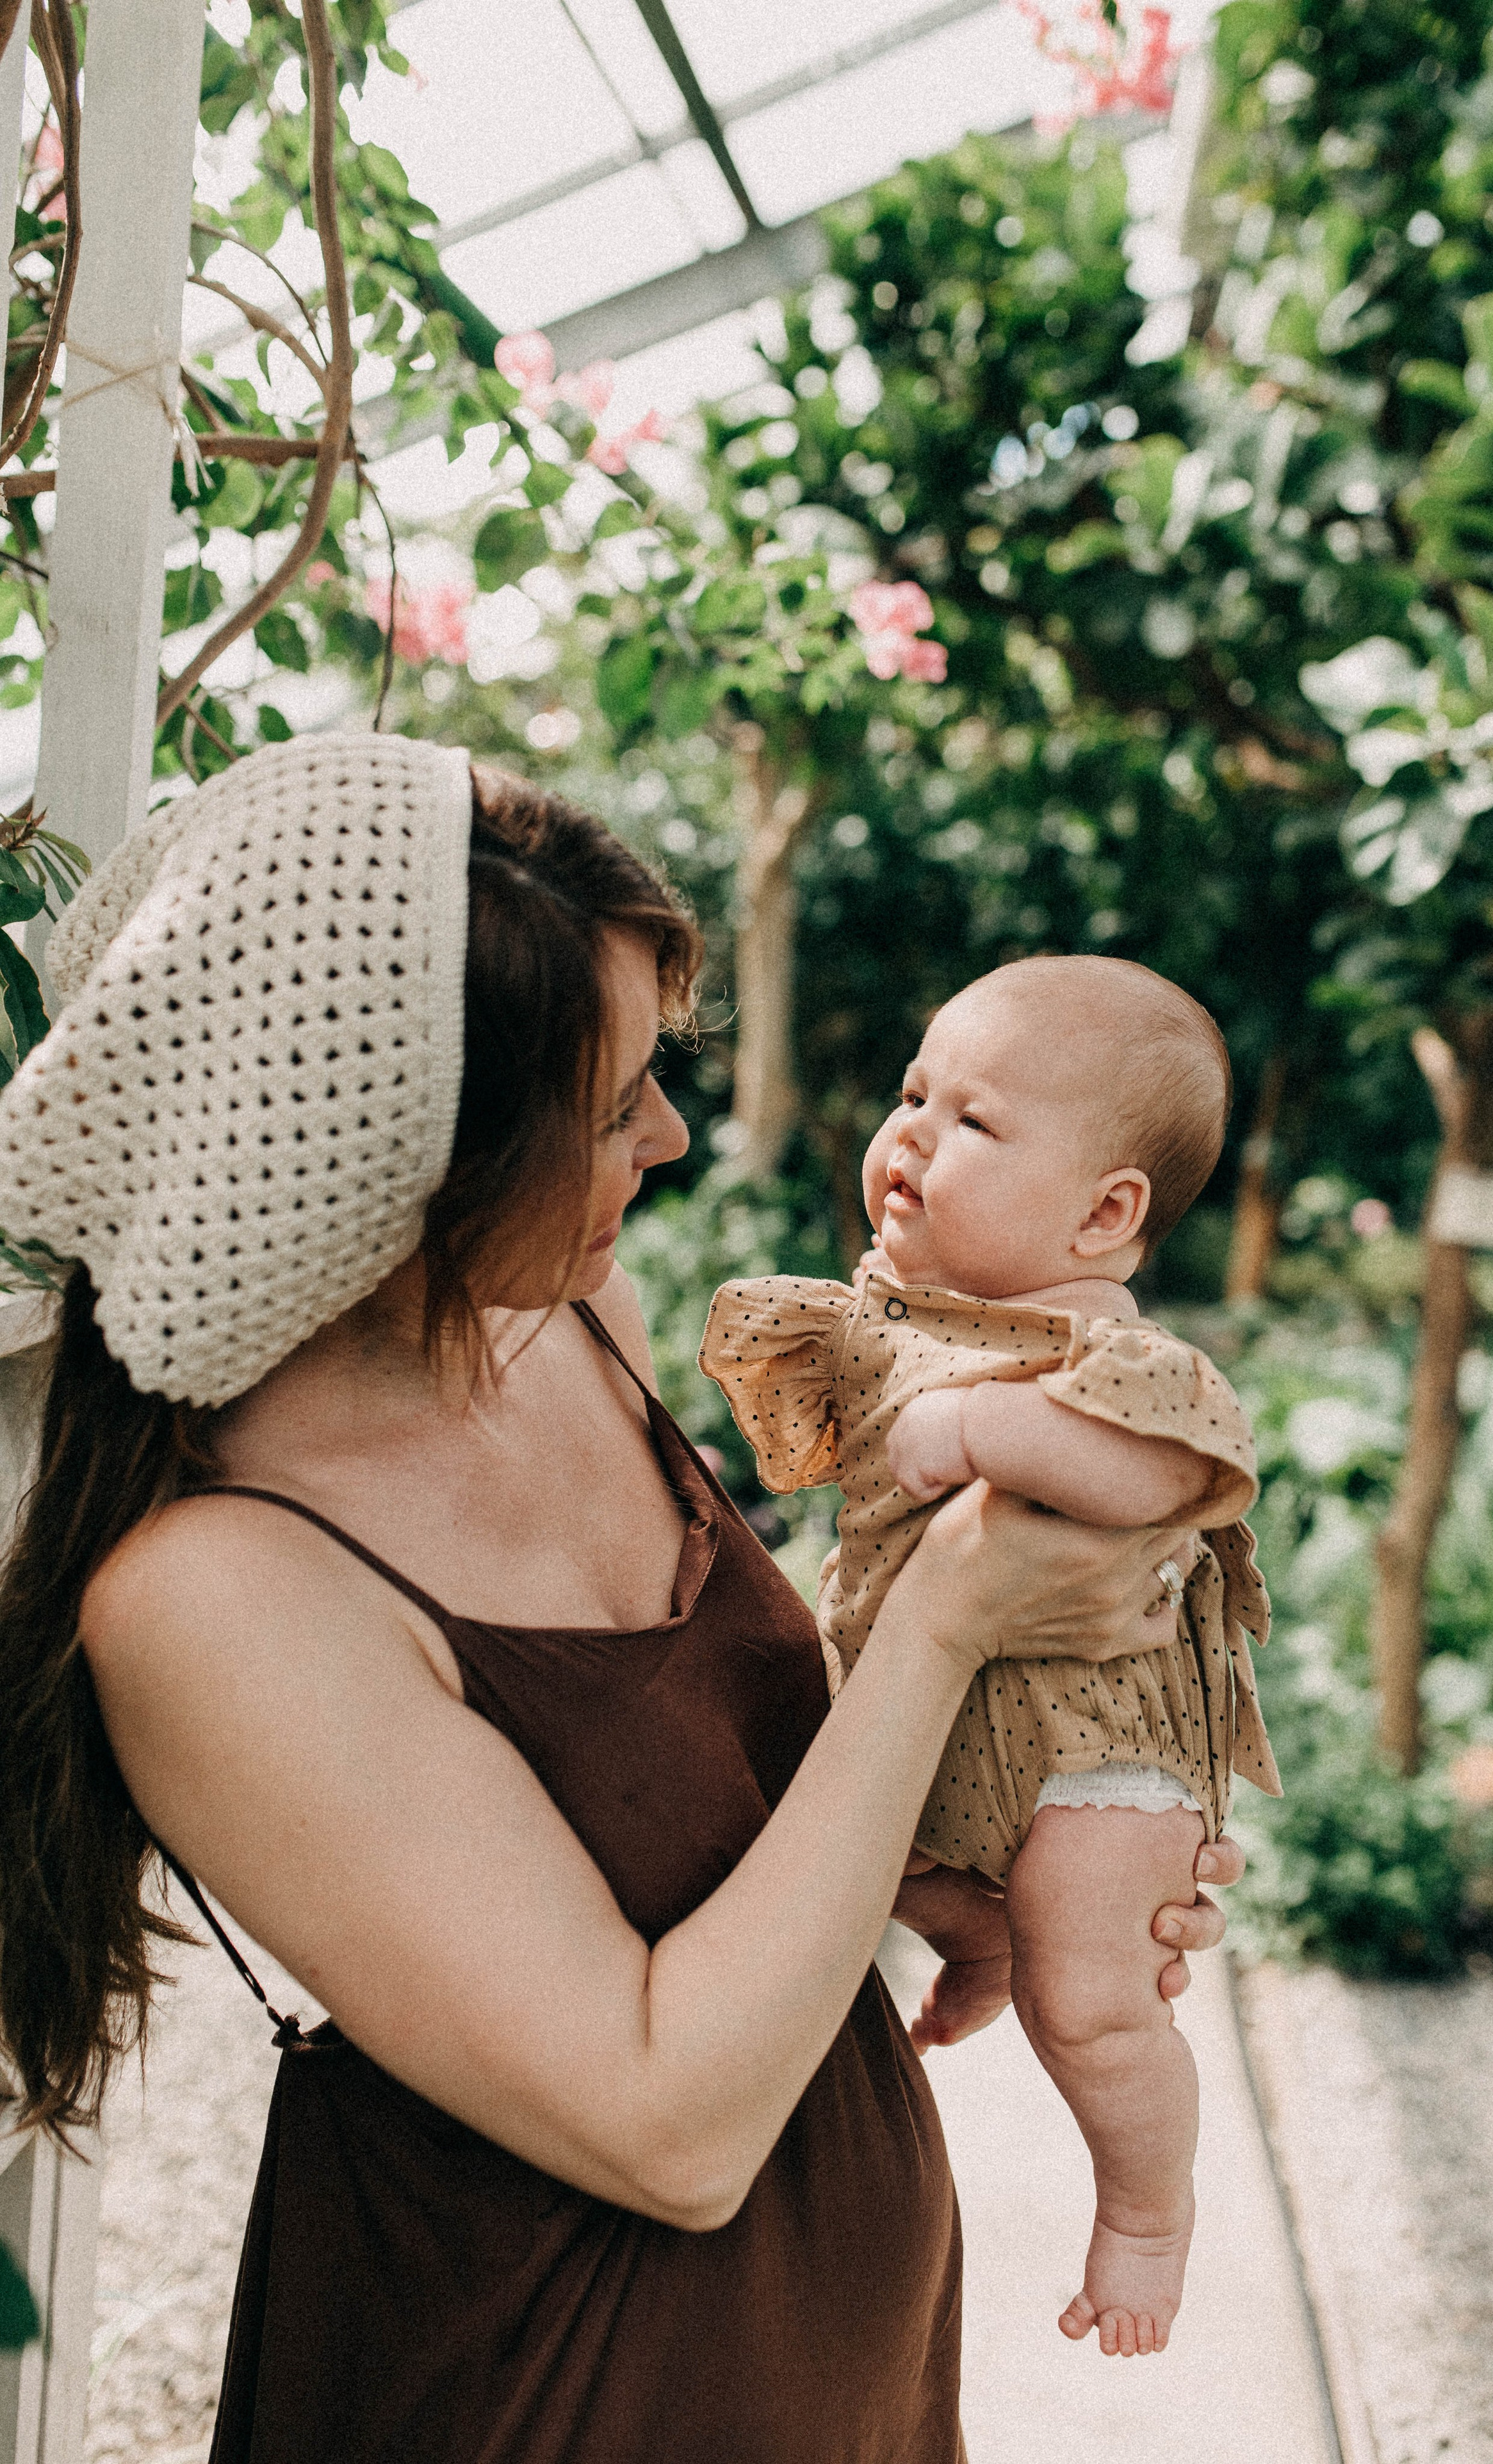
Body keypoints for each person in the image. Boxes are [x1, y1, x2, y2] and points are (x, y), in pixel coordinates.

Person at [0, 738, 1241, 2463]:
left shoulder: (578, 1332)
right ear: (401, 1162)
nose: (665, 1135)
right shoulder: (216, 1596)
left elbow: (677, 1787)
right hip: (542, 2395)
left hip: (840, 2356)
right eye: (608, 1109)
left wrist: (984, 1857)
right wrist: (952, 1615)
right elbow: (668, 2124)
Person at [701, 956, 1280, 2360]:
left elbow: (1166, 1475)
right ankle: (978, 1937)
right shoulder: (896, 1318)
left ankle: (1143, 2206)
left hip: (1094, 1754)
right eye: (912, 1093)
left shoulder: (1098, 1345)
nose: (908, 1134)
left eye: (972, 1121)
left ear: (1104, 1211)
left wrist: (986, 1432)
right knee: (843, 1853)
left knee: (1092, 2000)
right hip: (933, 1713)